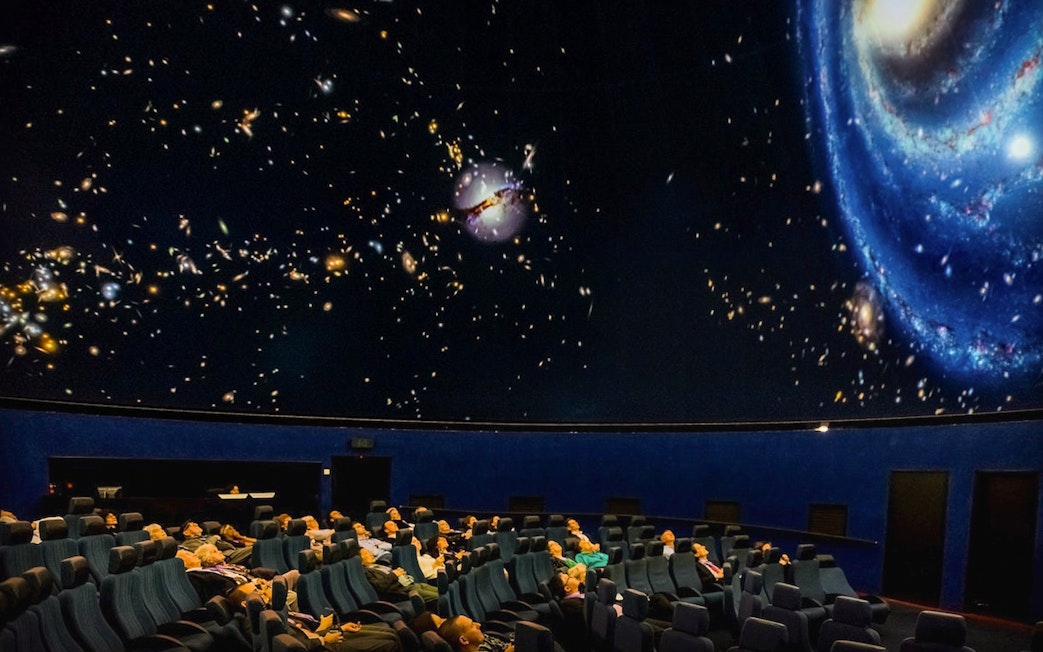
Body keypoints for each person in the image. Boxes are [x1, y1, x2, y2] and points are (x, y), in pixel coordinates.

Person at [358, 547, 439, 608]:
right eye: (366, 553)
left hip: (412, 584)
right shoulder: (366, 571)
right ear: (360, 560)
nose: (371, 554)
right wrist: (394, 574)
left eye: (369, 552)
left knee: (444, 592)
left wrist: (399, 573)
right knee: (439, 597)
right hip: (403, 591)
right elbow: (378, 586)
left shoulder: (379, 565)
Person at [180, 520, 253, 565]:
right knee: (257, 548)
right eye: (191, 525)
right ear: (186, 533)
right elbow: (205, 549)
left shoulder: (205, 537)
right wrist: (214, 538)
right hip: (225, 556)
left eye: (194, 523)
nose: (196, 524)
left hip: (233, 551)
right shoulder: (188, 543)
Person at [437, 615, 513, 652]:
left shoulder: (484, 639)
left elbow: (506, 646)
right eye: (472, 625)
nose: (478, 625)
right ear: (463, 640)